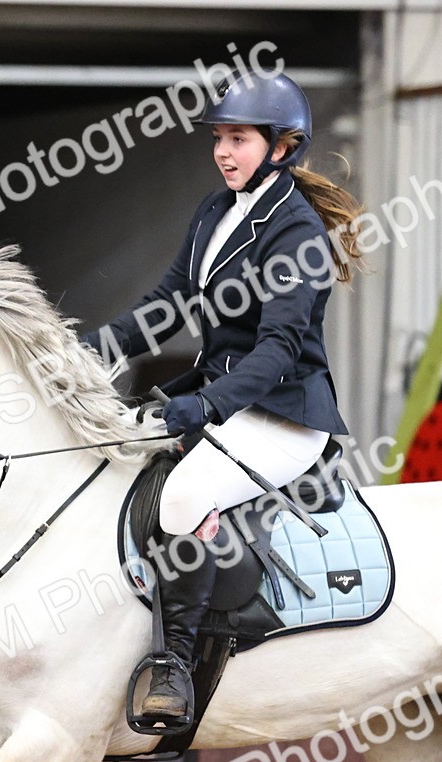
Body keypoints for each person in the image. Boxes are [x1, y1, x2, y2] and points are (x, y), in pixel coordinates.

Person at [80, 69, 364, 719]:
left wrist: (207, 406)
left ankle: (173, 663)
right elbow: (169, 301)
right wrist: (91, 350)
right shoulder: (215, 210)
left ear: (282, 147)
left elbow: (279, 348)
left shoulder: (296, 233)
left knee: (184, 492)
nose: (223, 152)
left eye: (238, 139)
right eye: (219, 138)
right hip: (226, 400)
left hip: (285, 416)